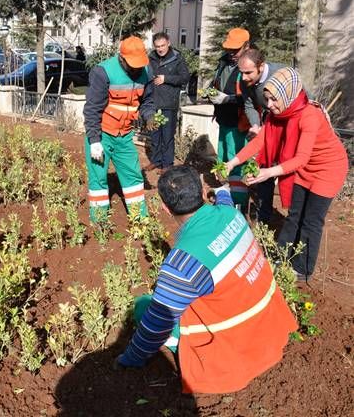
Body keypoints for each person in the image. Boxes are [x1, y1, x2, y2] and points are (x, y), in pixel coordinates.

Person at [115, 165, 297, 394]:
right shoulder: (233, 215)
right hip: (270, 322)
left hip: (235, 344)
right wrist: (221, 191)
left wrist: (130, 358)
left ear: (165, 208)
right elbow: (225, 202)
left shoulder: (182, 264)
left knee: (144, 307)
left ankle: (179, 349)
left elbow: (156, 325)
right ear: (202, 193)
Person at [225, 68, 348, 282]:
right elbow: (259, 141)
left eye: (274, 100)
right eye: (267, 99)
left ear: (288, 96)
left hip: (328, 168)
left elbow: (300, 158)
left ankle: (302, 269)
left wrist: (268, 173)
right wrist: (232, 162)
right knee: (294, 215)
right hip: (304, 167)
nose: (270, 105)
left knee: (311, 221)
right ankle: (281, 258)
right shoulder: (278, 115)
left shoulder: (309, 115)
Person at [82, 36, 156, 221]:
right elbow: (92, 109)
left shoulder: (146, 71)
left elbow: (147, 101)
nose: (137, 69)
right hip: (102, 134)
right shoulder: (103, 72)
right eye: (132, 65)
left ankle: (139, 219)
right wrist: (95, 141)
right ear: (121, 58)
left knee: (133, 177)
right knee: (98, 178)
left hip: (124, 135)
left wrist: (149, 115)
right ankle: (100, 222)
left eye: (139, 64)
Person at [237, 49, 287, 224]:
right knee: (263, 170)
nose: (243, 78)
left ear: (261, 67)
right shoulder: (245, 80)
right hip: (269, 126)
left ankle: (294, 224)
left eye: (248, 73)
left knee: (290, 176)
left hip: (289, 128)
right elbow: (249, 104)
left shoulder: (281, 75)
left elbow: (304, 101)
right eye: (241, 72)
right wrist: (256, 125)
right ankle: (263, 220)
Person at [205, 28, 252, 209]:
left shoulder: (248, 67)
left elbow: (251, 97)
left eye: (236, 50)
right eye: (229, 49)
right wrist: (210, 92)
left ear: (246, 46)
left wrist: (229, 98)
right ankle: (227, 192)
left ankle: (237, 203)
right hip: (224, 119)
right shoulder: (224, 62)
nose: (232, 53)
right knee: (224, 157)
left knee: (236, 159)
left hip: (238, 121)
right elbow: (217, 82)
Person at [145, 32, 190, 173]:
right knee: (155, 135)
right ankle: (156, 161)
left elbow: (185, 78)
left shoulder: (177, 58)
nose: (160, 49)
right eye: (157, 46)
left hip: (169, 103)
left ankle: (167, 164)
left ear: (168, 43)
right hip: (153, 102)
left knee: (167, 136)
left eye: (163, 45)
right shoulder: (150, 58)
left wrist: (166, 78)